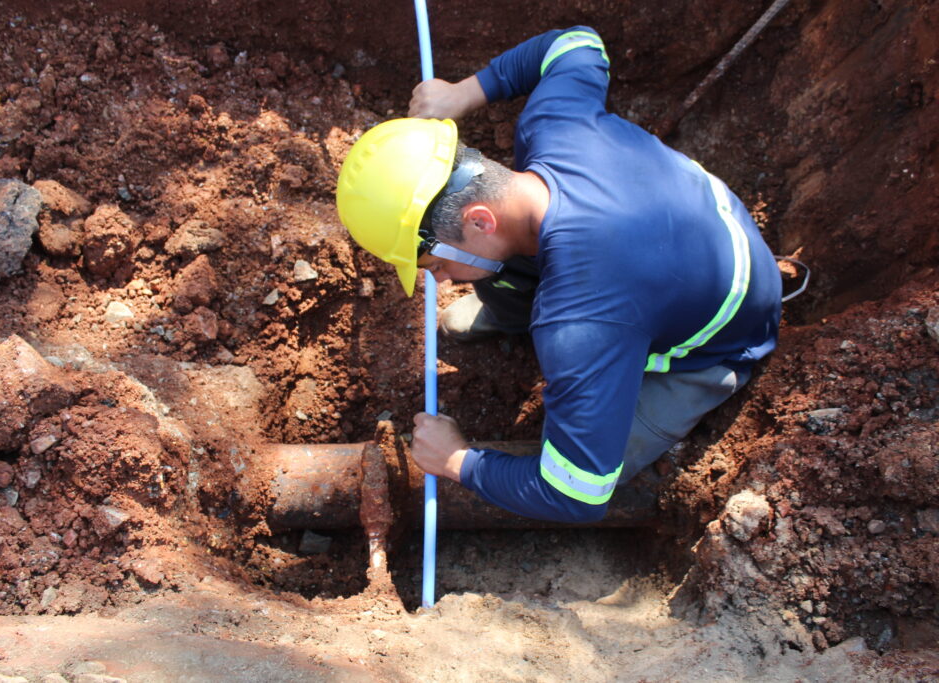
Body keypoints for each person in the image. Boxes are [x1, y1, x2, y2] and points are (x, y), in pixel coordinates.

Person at [335, 26, 781, 523]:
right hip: (696, 225)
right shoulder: (552, 124)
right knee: (502, 263)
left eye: (435, 264)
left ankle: (694, 384)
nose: (440, 281)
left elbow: (575, 497)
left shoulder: (581, 325)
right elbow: (576, 43)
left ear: (478, 219)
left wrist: (458, 461)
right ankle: (510, 307)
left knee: (593, 465)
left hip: (724, 327)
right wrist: (463, 93)